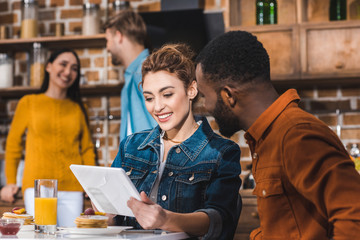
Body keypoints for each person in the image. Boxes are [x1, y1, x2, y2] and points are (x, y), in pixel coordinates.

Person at [195, 30, 360, 239]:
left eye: (204, 95)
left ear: (228, 96)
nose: (205, 106)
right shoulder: (267, 138)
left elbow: (354, 215)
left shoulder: (296, 136)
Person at [107, 43, 242, 239]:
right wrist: (107, 215)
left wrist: (165, 220)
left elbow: (219, 220)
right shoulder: (131, 147)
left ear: (191, 90)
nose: (158, 107)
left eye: (167, 94)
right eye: (149, 98)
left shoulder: (221, 153)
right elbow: (114, 222)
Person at [2, 48, 96, 227]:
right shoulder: (29, 103)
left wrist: (89, 183)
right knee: (42, 236)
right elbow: (13, 143)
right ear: (49, 66)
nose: (68, 71)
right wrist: (10, 182)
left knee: (71, 238)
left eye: (74, 68)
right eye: (63, 64)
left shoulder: (78, 108)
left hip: (72, 188)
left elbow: (87, 149)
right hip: (38, 186)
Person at [104, 10, 156, 141]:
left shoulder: (146, 71)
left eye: (107, 40)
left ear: (118, 36)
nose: (107, 47)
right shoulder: (135, 73)